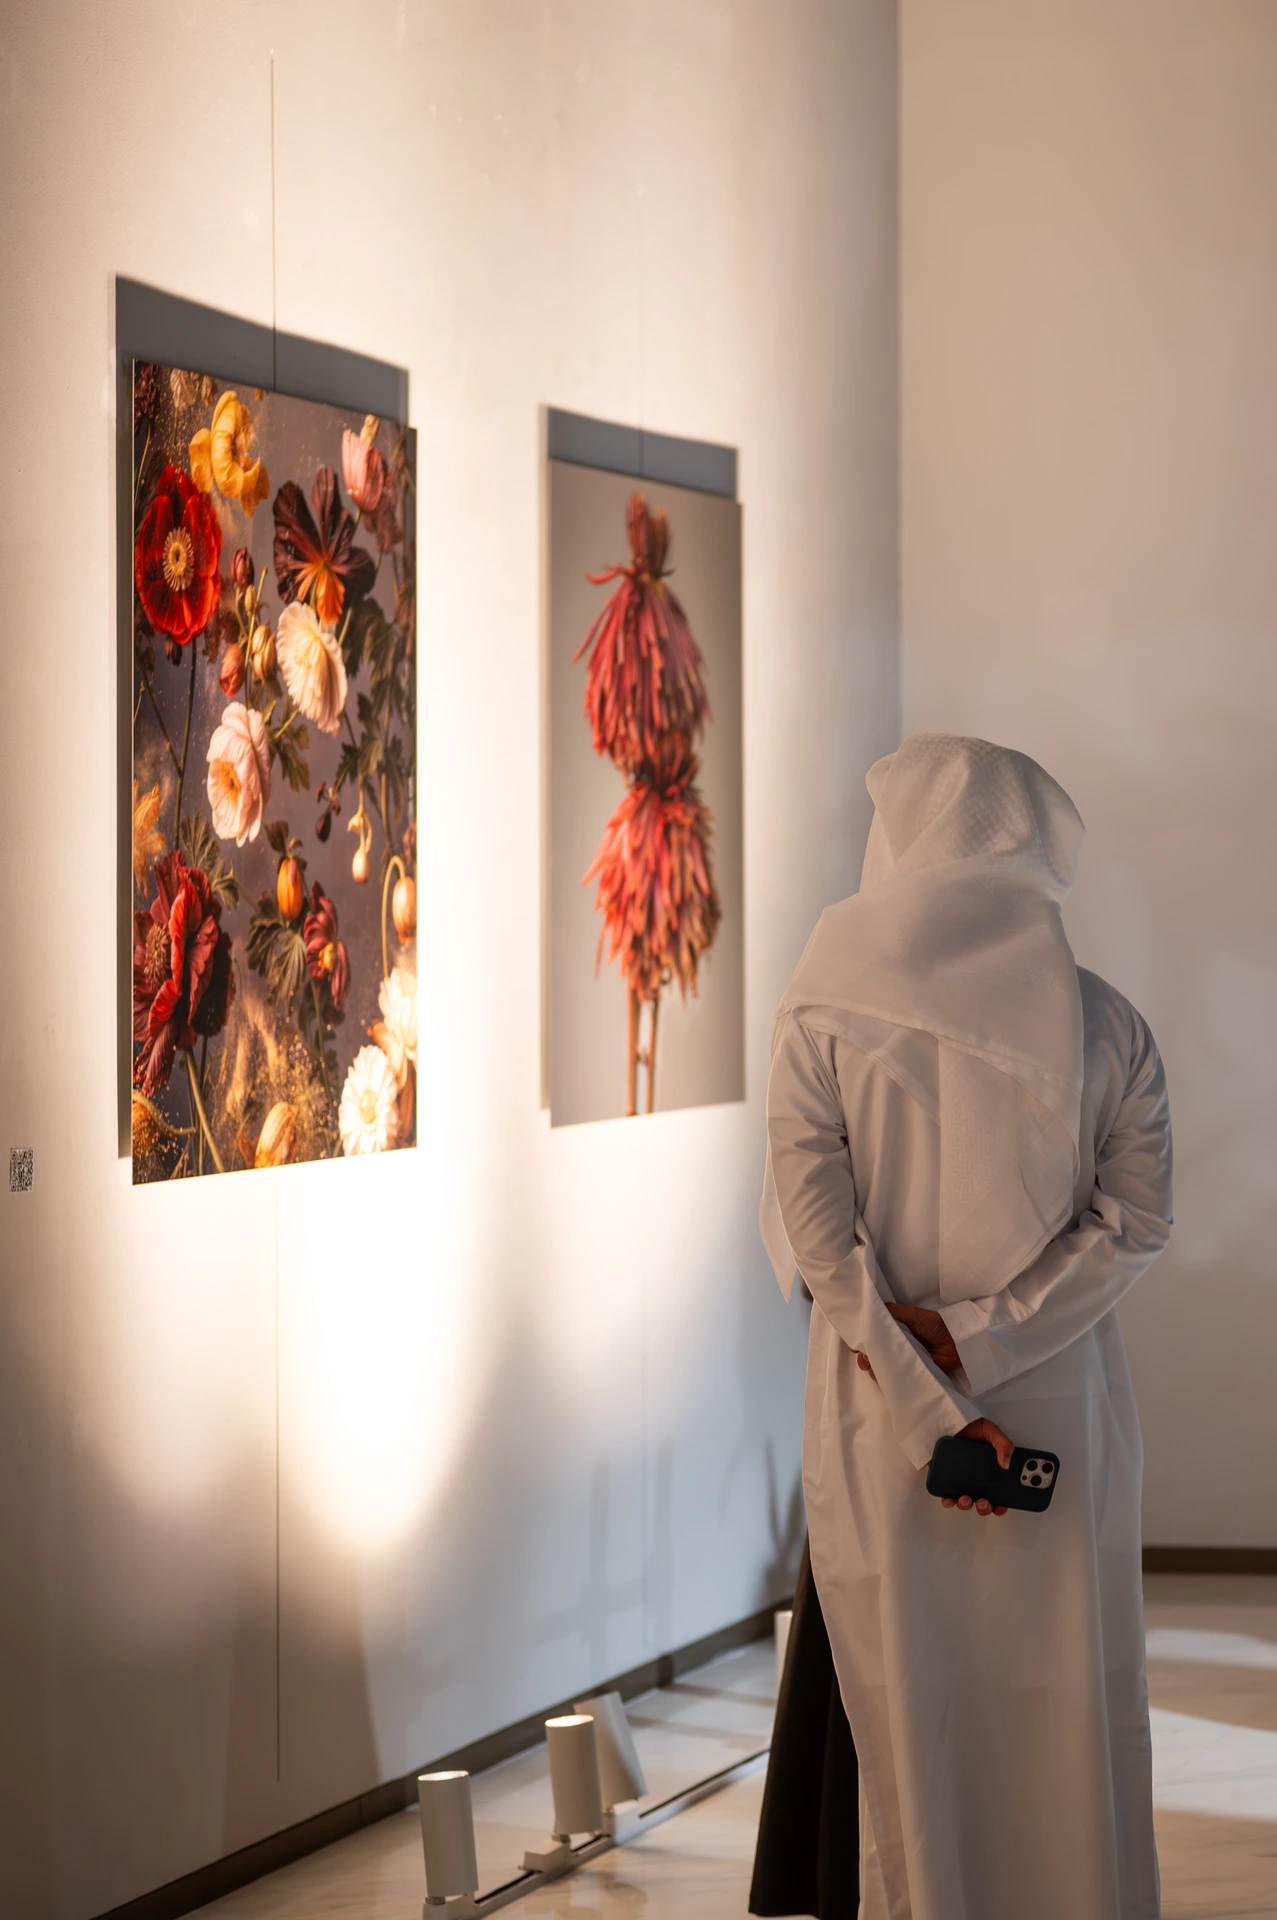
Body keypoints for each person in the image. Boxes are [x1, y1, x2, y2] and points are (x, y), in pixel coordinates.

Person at [760, 734, 1173, 1920]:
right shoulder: (1109, 1032)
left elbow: (822, 1254)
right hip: (1060, 1421)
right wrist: (985, 1342)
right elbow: (1134, 1225)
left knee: (911, 1719)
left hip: (877, 1418)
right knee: (1064, 1724)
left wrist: (926, 1388)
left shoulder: (817, 1020)